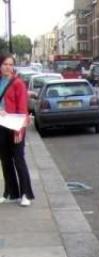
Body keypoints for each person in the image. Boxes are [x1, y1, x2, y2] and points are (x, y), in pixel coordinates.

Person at [0, 53, 33, 206]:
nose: (8, 67)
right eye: (5, 64)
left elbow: (22, 108)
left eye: (10, 64)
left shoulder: (18, 83)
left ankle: (25, 194)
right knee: (5, 160)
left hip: (15, 126)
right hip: (1, 126)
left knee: (19, 159)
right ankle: (10, 193)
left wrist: (19, 130)